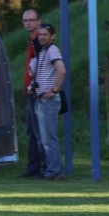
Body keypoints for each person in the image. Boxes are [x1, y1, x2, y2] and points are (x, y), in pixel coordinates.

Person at [29, 23, 66, 181]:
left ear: (52, 36)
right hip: (40, 98)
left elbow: (62, 70)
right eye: (40, 34)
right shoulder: (43, 52)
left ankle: (54, 171)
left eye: (45, 34)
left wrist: (54, 90)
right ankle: (49, 169)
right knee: (43, 138)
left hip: (48, 100)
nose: (42, 37)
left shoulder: (52, 50)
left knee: (49, 139)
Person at [19, 8, 44, 178]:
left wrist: (34, 85)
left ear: (38, 21)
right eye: (25, 20)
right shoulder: (32, 40)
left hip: (36, 91)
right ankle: (34, 167)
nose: (28, 23)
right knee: (33, 131)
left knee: (38, 131)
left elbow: (39, 66)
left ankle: (41, 167)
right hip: (32, 91)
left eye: (31, 20)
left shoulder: (38, 41)